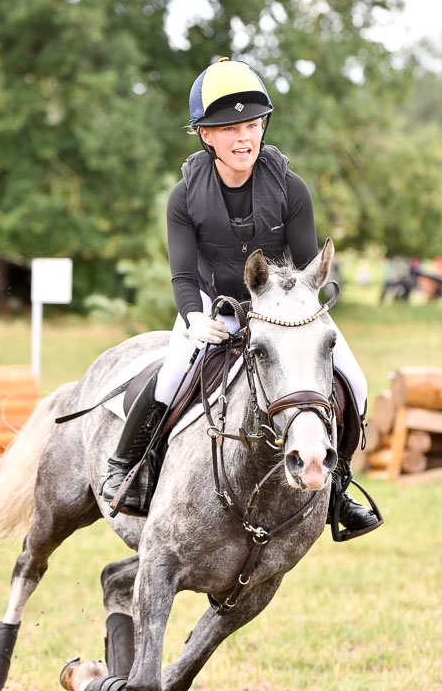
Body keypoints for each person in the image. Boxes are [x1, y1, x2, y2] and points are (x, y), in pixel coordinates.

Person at [100, 57, 381, 539]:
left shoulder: (291, 189)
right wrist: (192, 318)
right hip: (216, 312)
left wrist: (298, 311)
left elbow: (306, 268)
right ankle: (127, 468)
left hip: (285, 315)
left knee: (354, 382)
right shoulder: (183, 197)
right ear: (205, 135)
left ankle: (338, 489)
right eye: (229, 128)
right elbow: (183, 275)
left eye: (251, 124)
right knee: (170, 375)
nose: (243, 137)